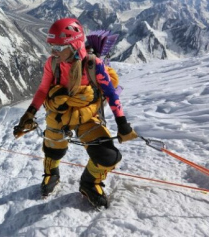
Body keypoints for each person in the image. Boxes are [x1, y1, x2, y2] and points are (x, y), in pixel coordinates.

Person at [15, 18, 137, 208]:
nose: (53, 51)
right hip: (60, 114)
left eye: (58, 46)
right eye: (52, 46)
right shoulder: (53, 63)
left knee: (108, 157)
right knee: (53, 149)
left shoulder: (93, 64)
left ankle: (89, 182)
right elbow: (42, 90)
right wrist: (29, 113)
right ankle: (51, 173)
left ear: (73, 44)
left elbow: (111, 93)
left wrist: (122, 123)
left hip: (86, 115)